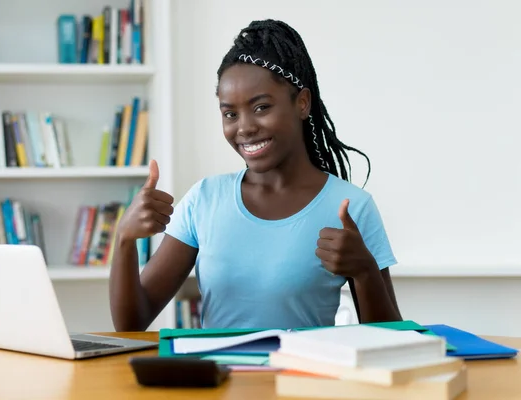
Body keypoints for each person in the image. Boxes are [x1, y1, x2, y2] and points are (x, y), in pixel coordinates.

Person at [109, 19, 402, 331]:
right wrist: (125, 239)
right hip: (220, 379)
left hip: (300, 380)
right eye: (230, 114)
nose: (245, 127)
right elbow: (132, 323)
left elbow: (393, 339)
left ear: (302, 103)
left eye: (261, 108)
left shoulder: (352, 208)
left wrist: (366, 271)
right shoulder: (204, 200)